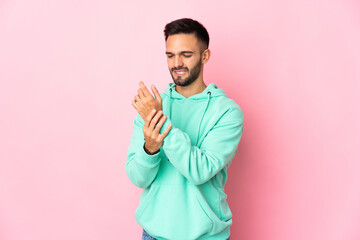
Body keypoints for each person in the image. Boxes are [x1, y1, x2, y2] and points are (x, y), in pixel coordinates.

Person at [126, 18, 243, 240]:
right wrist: (149, 149)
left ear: (205, 56)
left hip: (206, 236)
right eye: (170, 55)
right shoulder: (153, 105)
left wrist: (159, 121)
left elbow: (200, 170)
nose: (176, 63)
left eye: (186, 55)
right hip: (154, 234)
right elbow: (137, 177)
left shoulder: (227, 112)